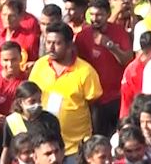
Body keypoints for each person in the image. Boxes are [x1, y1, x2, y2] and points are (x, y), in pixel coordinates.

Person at [26, 23, 101, 160]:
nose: (51, 47)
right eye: (48, 42)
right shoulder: (40, 65)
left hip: (75, 147)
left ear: (69, 45)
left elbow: (95, 108)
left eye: (57, 43)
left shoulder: (85, 71)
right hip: (45, 148)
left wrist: (92, 140)